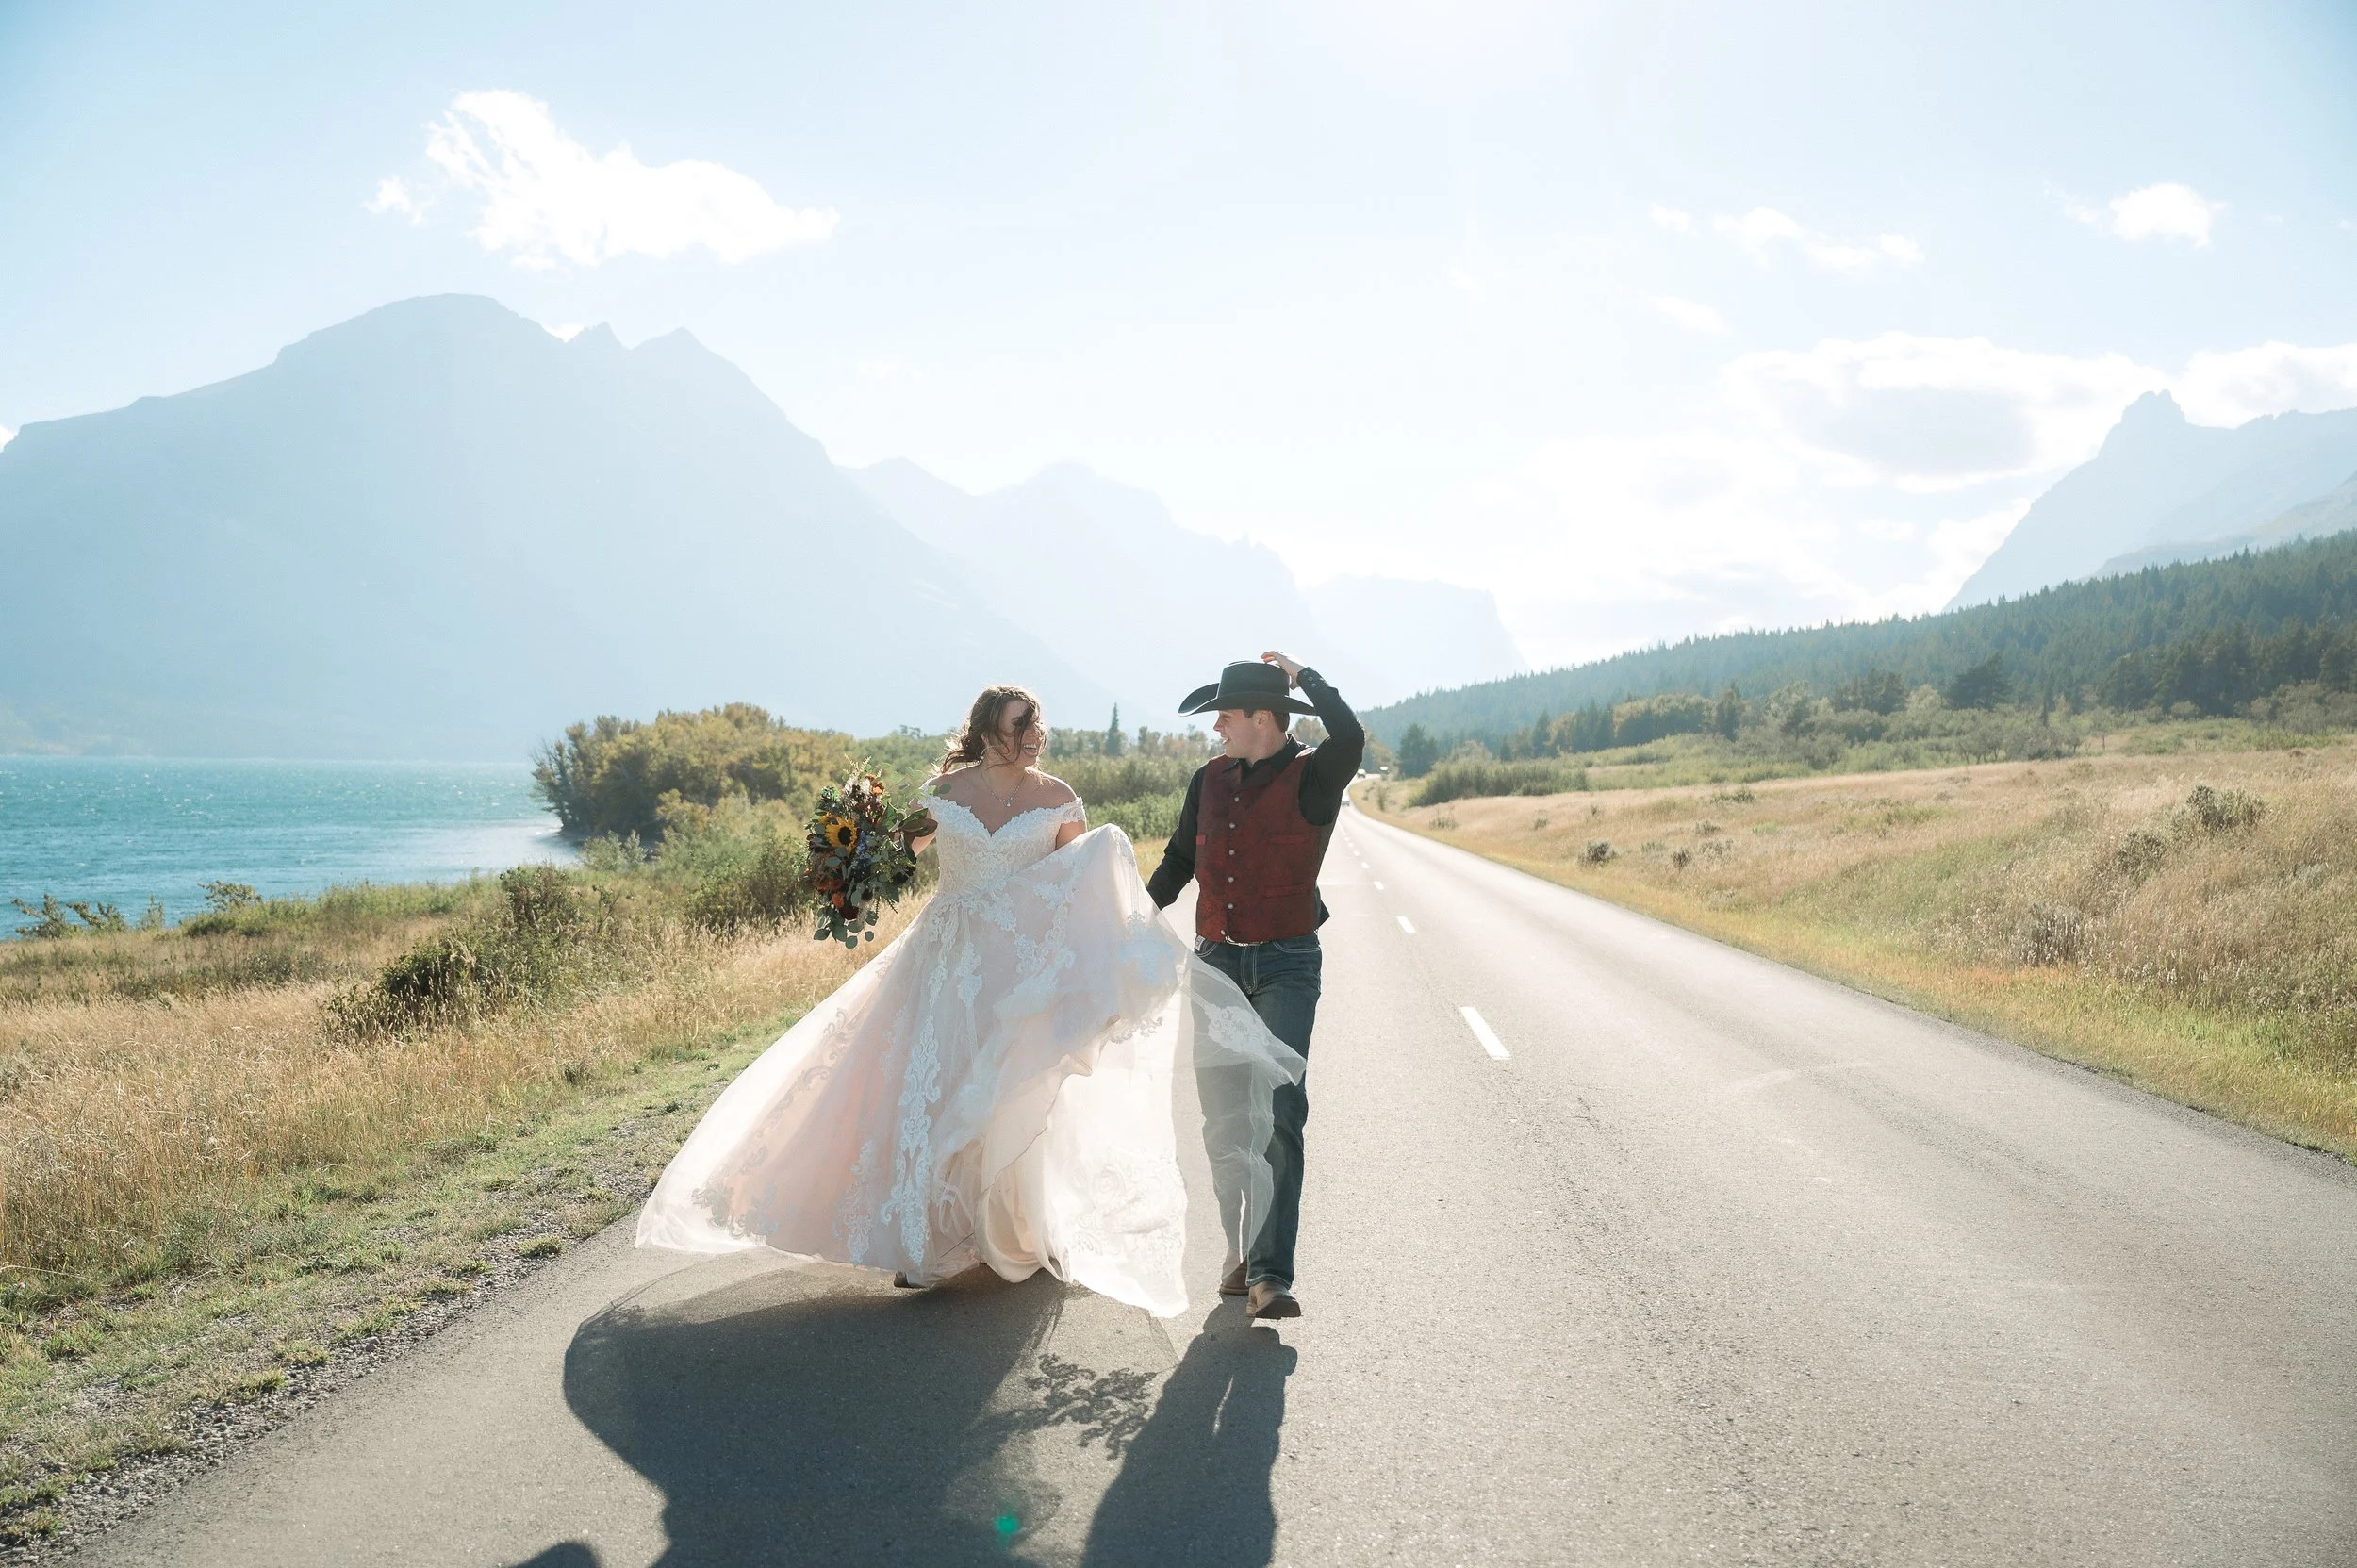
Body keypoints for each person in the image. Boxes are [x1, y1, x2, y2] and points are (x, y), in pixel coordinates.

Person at [636, 684, 1304, 1317]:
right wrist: (852, 869)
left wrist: (1111, 952)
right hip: (944, 958)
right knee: (929, 1088)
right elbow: (898, 855)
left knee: (1003, 1092)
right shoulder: (944, 792)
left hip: (1015, 973)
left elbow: (1076, 883)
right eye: (1022, 724)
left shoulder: (1059, 797)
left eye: (1037, 722)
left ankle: (1012, 1226)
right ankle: (922, 1242)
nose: (1035, 734)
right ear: (989, 732)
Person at [1145, 651, 1363, 1321]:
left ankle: (1271, 1273)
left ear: (1264, 719)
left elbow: (1350, 736)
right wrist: (1130, 921)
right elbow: (1181, 860)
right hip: (1216, 966)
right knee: (1223, 1123)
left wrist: (1308, 678)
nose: (1218, 729)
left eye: (1227, 717)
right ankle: (1238, 1252)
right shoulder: (1206, 781)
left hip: (1286, 964)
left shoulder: (1314, 776)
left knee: (1278, 1110)